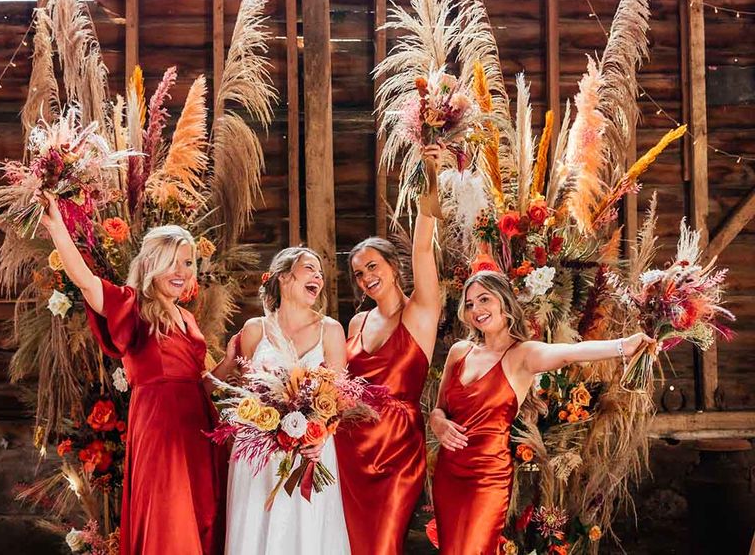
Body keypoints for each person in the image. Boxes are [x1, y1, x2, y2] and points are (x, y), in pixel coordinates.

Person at [39, 193, 227, 555]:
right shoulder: (132, 303)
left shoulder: (186, 318)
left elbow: (201, 380)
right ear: (152, 264)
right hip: (160, 426)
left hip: (198, 426)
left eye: (187, 263)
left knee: (204, 511)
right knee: (169, 514)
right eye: (171, 262)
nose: (181, 271)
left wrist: (233, 361)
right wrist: (57, 226)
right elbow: (85, 281)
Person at [430, 270, 653, 555]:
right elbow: (439, 409)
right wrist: (438, 423)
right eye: (470, 303)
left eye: (484, 299)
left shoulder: (523, 354)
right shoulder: (460, 352)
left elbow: (570, 352)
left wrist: (624, 346)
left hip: (487, 478)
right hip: (448, 475)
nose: (476, 310)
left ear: (504, 302)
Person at [335, 144, 444, 555]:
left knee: (382, 544)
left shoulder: (421, 313)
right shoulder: (356, 323)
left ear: (393, 267)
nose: (365, 278)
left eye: (372, 267)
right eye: (359, 274)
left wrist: (428, 174)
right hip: (349, 446)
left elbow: (421, 247)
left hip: (396, 450)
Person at [213, 246, 350, 555]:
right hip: (259, 455)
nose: (318, 275)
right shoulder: (253, 330)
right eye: (309, 268)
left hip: (312, 453)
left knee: (309, 531)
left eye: (320, 272)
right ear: (284, 278)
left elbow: (338, 397)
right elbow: (249, 396)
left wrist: (320, 436)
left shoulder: (330, 330)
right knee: (256, 525)